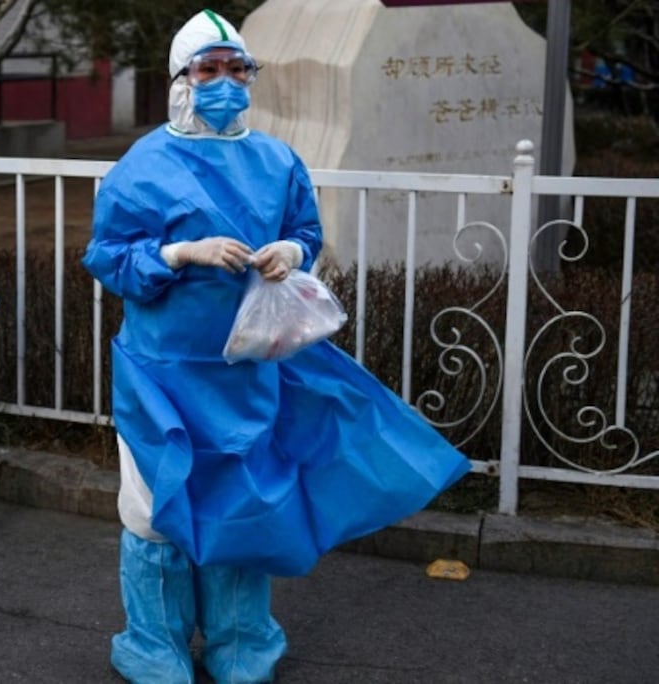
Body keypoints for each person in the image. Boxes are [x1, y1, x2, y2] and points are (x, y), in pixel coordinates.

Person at [81, 9, 471, 684]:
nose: (226, 83)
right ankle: (155, 645)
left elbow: (304, 231)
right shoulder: (140, 166)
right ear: (181, 80)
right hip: (162, 372)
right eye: (210, 69)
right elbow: (108, 256)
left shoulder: (276, 159)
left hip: (248, 369)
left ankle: (242, 643)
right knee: (154, 511)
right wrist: (179, 251)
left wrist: (290, 251)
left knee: (244, 502)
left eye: (238, 70)